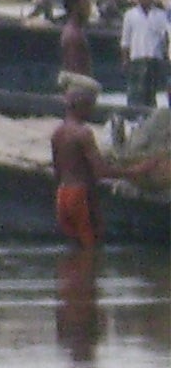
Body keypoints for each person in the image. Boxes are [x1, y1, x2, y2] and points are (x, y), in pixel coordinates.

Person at [51, 84, 146, 246]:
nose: (92, 111)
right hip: (80, 195)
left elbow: (57, 170)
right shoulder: (84, 133)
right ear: (82, 107)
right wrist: (135, 171)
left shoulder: (58, 132)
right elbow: (101, 171)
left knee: (74, 247)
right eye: (90, 107)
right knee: (90, 248)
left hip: (62, 194)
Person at [119, 0, 169, 110]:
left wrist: (165, 57)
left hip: (154, 59)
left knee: (151, 92)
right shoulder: (130, 15)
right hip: (137, 58)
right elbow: (125, 40)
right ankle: (133, 115)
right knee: (135, 91)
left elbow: (165, 37)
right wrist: (125, 60)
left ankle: (149, 115)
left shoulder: (160, 15)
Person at [58, 0, 100, 96]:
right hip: (78, 92)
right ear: (75, 7)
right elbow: (75, 70)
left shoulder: (75, 31)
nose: (89, 9)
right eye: (86, 4)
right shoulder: (73, 35)